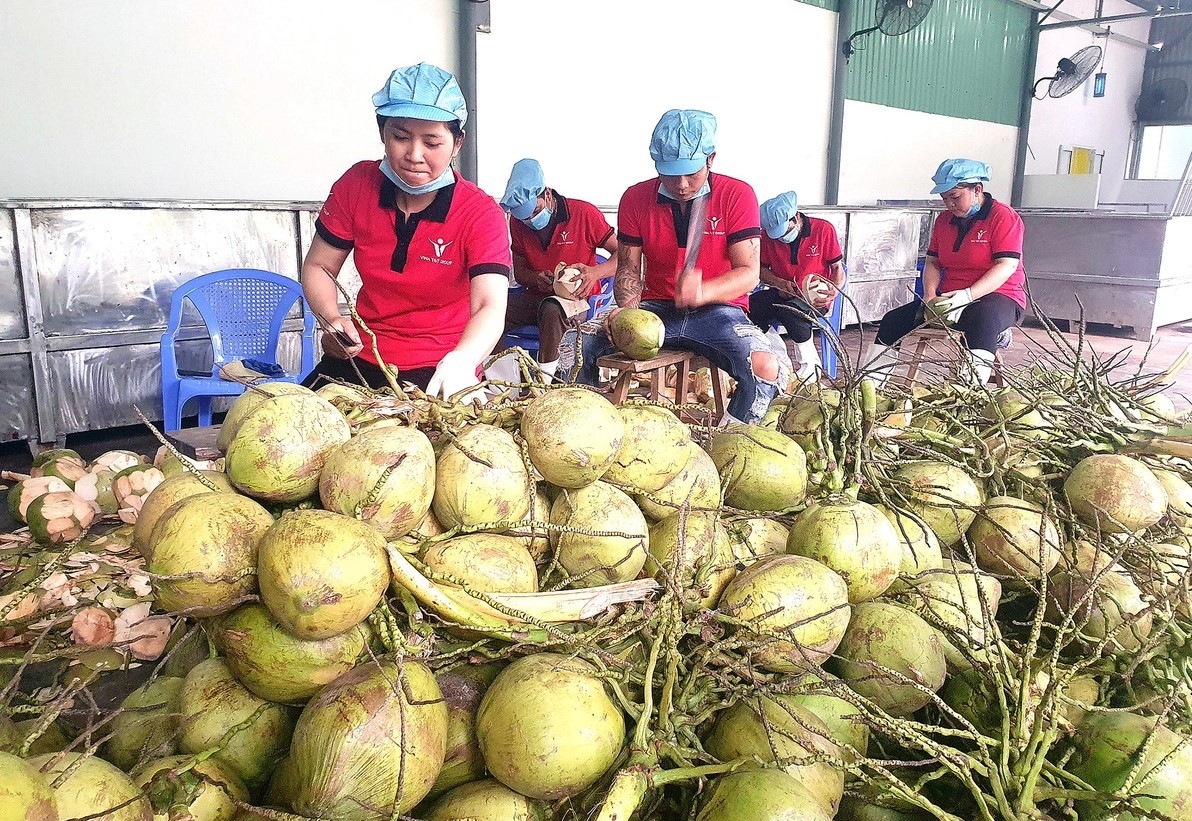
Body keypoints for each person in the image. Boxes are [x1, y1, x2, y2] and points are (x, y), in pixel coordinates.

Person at [299, 62, 511, 401]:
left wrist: (462, 360)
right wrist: (332, 320)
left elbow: (489, 304)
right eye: (400, 137)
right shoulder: (357, 186)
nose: (414, 155)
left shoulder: (479, 213)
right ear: (382, 134)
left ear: (457, 144)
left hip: (440, 368)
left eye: (432, 142)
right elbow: (318, 266)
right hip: (359, 359)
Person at [573, 109, 780, 424]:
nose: (681, 184)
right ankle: (584, 431)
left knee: (765, 367)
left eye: (691, 173)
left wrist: (703, 291)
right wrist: (628, 311)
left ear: (710, 159)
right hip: (655, 310)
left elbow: (748, 273)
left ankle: (732, 447)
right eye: (669, 173)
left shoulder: (737, 195)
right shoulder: (635, 198)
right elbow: (628, 268)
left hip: (720, 312)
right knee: (575, 346)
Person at [866, 159, 1027, 387]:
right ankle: (869, 386)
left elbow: (1006, 265)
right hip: (950, 300)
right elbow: (933, 262)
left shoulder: (1003, 217)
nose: (949, 204)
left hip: (1000, 296)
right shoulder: (944, 221)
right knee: (892, 321)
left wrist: (968, 296)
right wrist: (931, 295)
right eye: (944, 198)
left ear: (977, 190)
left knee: (982, 319)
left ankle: (968, 393)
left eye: (955, 196)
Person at [499, 158, 618, 378]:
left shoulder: (583, 213)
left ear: (547, 194)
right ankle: (501, 381)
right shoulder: (517, 223)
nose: (529, 220)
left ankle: (544, 382)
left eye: (534, 211)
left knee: (552, 309)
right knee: (492, 309)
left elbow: (624, 256)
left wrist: (595, 273)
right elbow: (520, 272)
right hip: (536, 298)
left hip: (578, 301)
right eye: (523, 217)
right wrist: (535, 278)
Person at [749, 191, 846, 381]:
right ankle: (779, 361)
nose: (781, 237)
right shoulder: (768, 236)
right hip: (782, 291)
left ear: (796, 216)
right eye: (776, 234)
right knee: (747, 307)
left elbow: (837, 269)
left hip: (814, 297)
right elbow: (759, 269)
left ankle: (810, 370)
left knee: (791, 313)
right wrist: (778, 283)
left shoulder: (823, 229)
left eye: (784, 231)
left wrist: (833, 291)